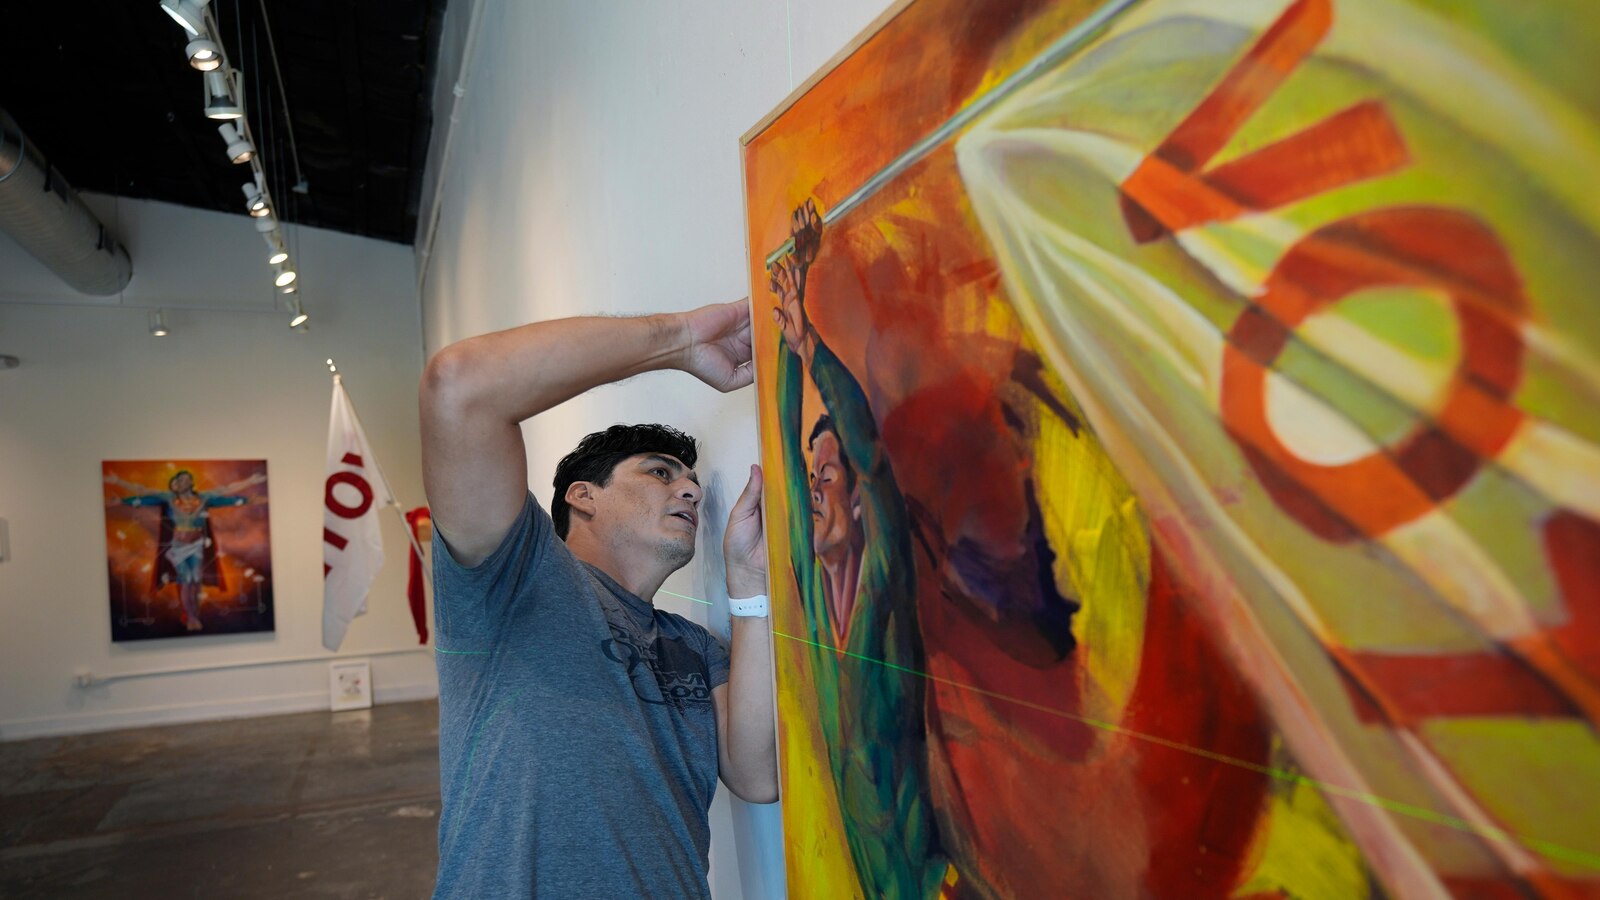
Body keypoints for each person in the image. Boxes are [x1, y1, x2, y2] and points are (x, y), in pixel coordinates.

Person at [418, 298, 777, 899]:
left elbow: (758, 774)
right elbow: (460, 385)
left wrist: (748, 584)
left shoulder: (692, 645)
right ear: (583, 496)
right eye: (660, 473)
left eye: (690, 479)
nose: (689, 488)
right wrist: (681, 340)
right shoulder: (517, 581)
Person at [104, 468, 266, 631]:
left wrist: (250, 482)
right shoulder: (169, 498)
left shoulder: (203, 498)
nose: (183, 482)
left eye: (186, 479)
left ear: (190, 482)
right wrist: (119, 486)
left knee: (196, 580)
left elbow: (226, 491)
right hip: (179, 546)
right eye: (180, 480)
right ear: (175, 485)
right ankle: (191, 617)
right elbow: (144, 493)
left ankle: (194, 613)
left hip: (196, 546)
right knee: (186, 580)